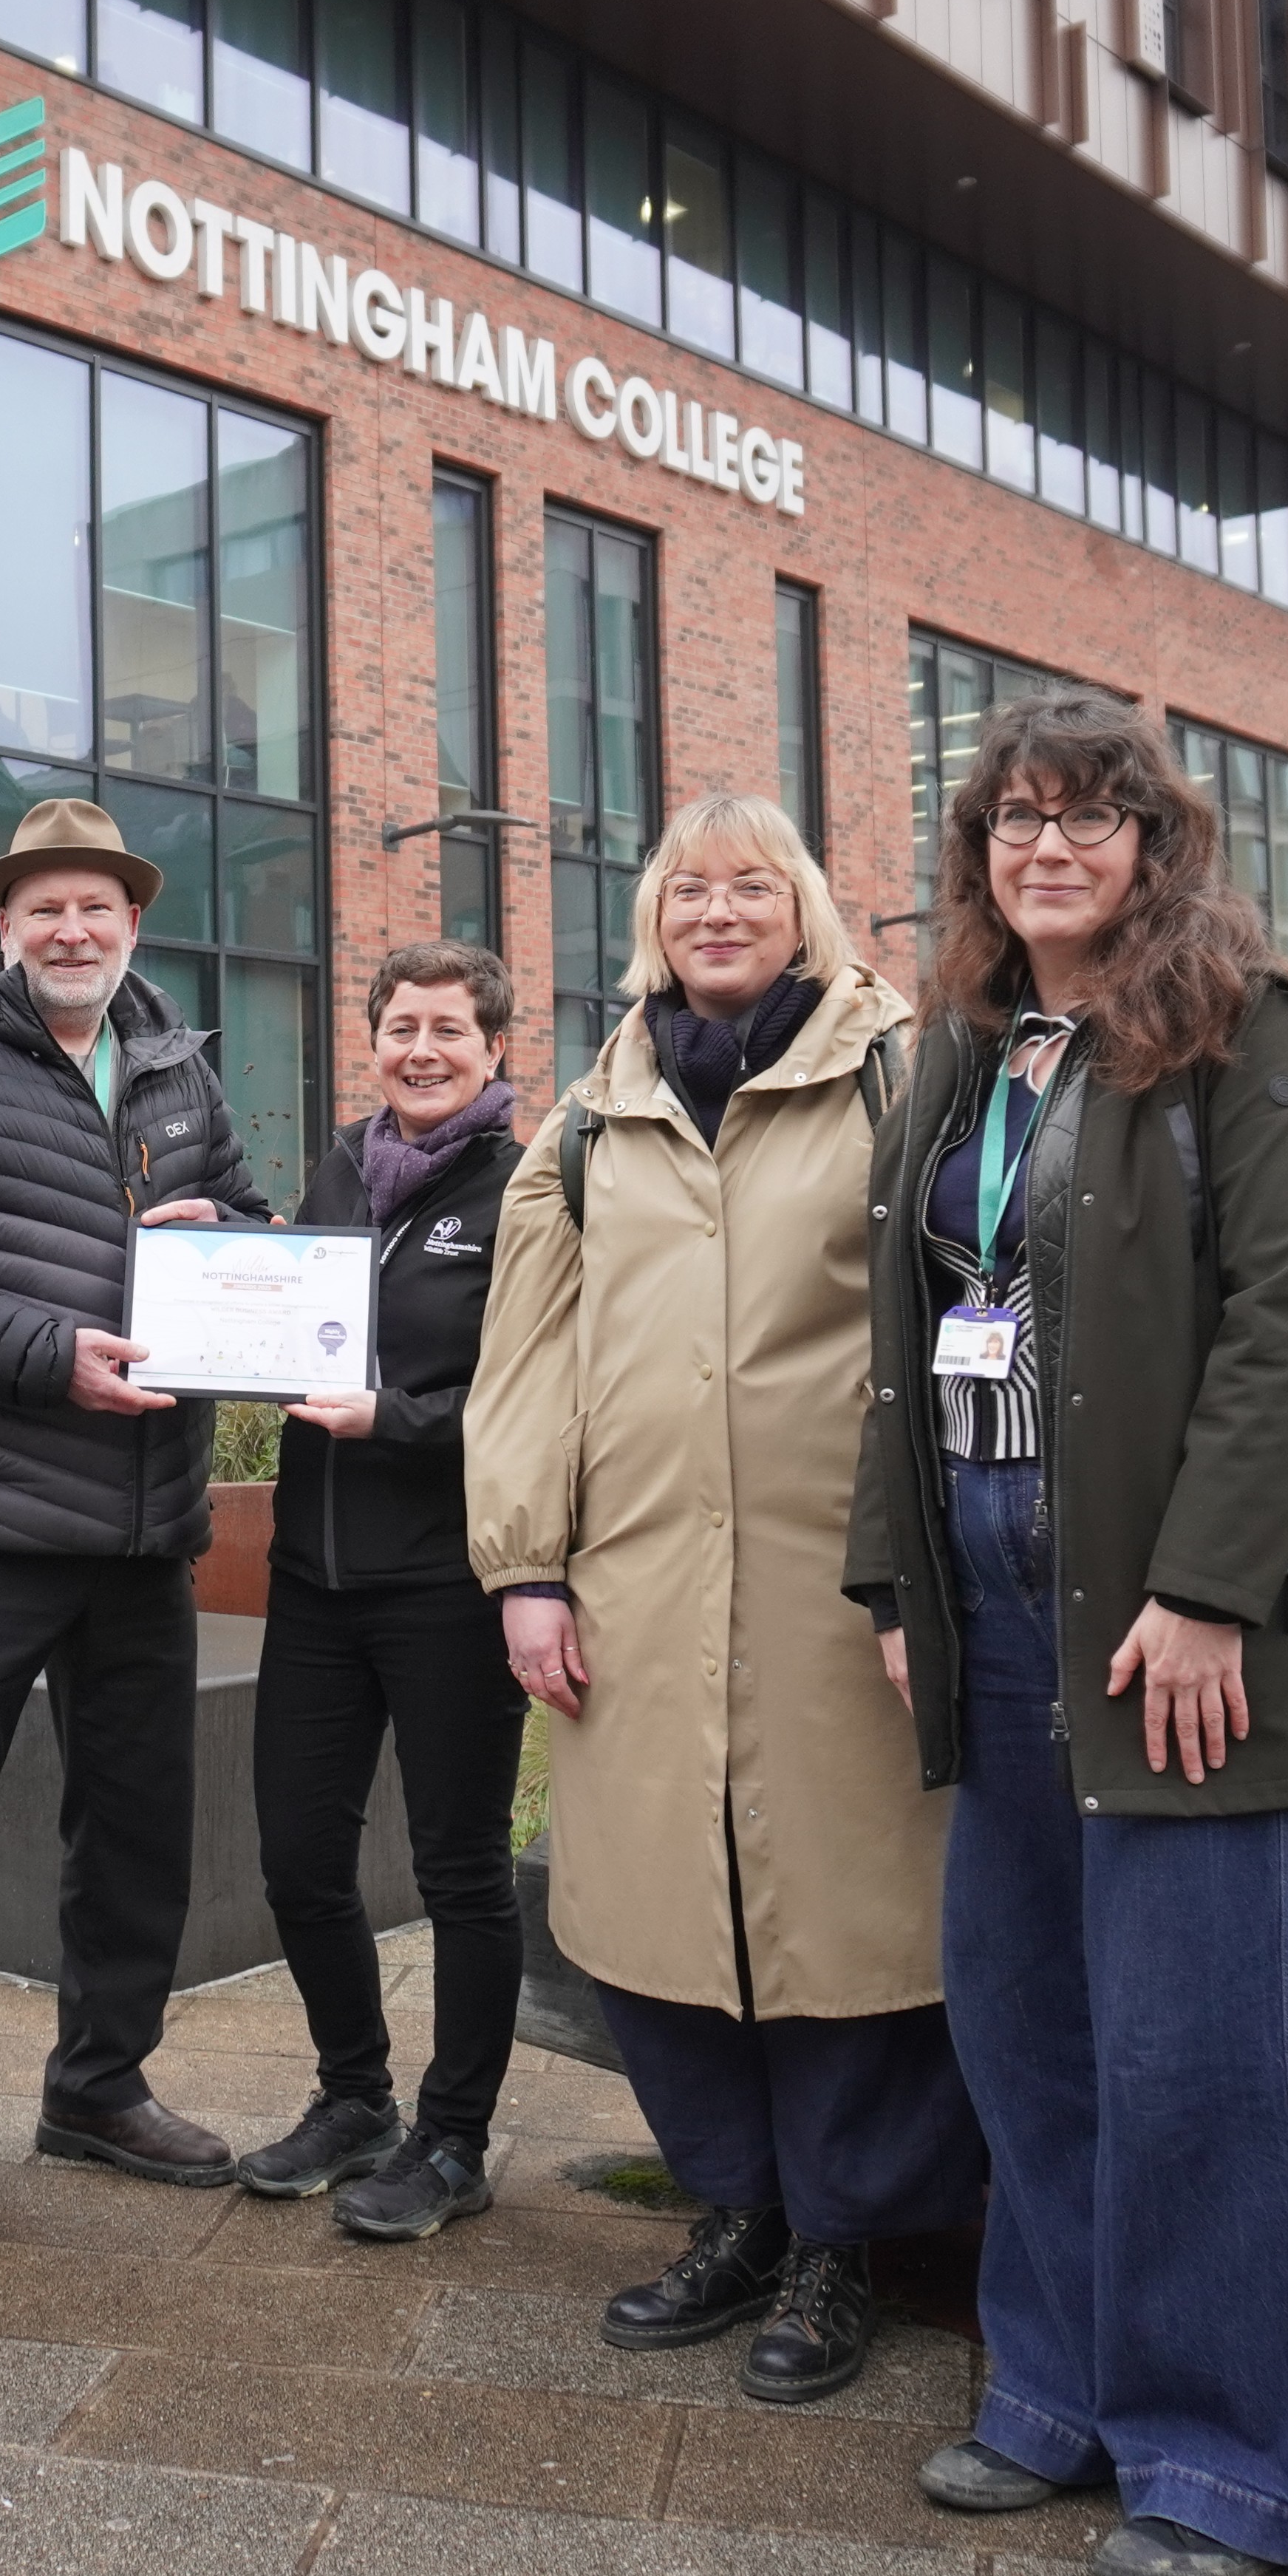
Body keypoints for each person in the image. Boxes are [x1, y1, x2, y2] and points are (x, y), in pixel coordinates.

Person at [848, 686, 1288, 2576]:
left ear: (1153, 841)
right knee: (1024, 2023)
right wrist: (899, 1586)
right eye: (1014, 817)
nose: (1047, 846)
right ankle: (1058, 2391)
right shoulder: (962, 1046)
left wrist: (1206, 1590)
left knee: (1202, 2053)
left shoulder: (1245, 1034)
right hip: (994, 1595)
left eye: (1088, 815)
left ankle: (1226, 2463)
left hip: (1174, 1618)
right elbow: (902, 1342)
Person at [468, 791, 984, 2405]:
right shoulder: (589, 1113)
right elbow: (525, 1356)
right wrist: (526, 1566)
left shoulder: (901, 1073)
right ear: (651, 918)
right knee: (652, 1911)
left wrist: (936, 1568)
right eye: (684, 887)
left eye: (749, 884)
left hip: (846, 1589)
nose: (714, 909)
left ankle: (842, 2237)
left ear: (803, 905)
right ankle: (736, 2207)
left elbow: (969, 1316)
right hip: (635, 1582)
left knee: (849, 1921)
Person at [0, 796, 269, 2243]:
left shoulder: (178, 1070)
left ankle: (97, 2085)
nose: (71, 930)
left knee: (136, 1830)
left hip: (143, 1529)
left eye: (95, 907)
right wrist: (44, 1353)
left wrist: (240, 1246)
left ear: (131, 920)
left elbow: (247, 1223)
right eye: (44, 908)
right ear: (5, 924)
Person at [234, 941, 531, 2241]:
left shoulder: (523, 1192)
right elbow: (290, 1317)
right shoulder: (342, 1169)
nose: (420, 1049)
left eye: (447, 1029)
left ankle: (453, 2138)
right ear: (370, 1043)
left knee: (458, 1867)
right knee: (298, 1857)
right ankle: (352, 2095)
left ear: (494, 1048)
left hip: (444, 1583)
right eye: (400, 1026)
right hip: (313, 1577)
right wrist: (219, 1265)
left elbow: (539, 1392)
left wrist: (394, 1419)